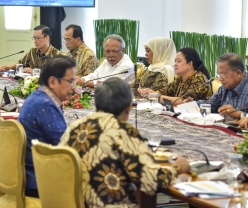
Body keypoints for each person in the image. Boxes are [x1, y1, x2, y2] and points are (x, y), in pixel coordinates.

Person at [59, 77, 190, 208]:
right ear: (128, 106)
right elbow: (151, 182)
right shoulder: (123, 131)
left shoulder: (74, 127)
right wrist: (177, 168)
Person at [18, 55, 76, 198]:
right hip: (40, 181)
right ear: (52, 81)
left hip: (34, 174)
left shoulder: (38, 96)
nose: (73, 87)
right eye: (70, 81)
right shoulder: (44, 104)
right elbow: (65, 146)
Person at [186, 53, 248, 127]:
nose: (220, 79)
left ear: (238, 73)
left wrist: (239, 114)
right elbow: (213, 104)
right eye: (219, 74)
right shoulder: (225, 86)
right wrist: (194, 104)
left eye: (223, 74)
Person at [140, 47, 212, 105]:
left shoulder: (199, 79)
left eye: (179, 61)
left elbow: (183, 101)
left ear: (190, 64)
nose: (175, 64)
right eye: (175, 61)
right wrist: (150, 93)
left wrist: (156, 96)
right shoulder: (180, 78)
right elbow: (165, 92)